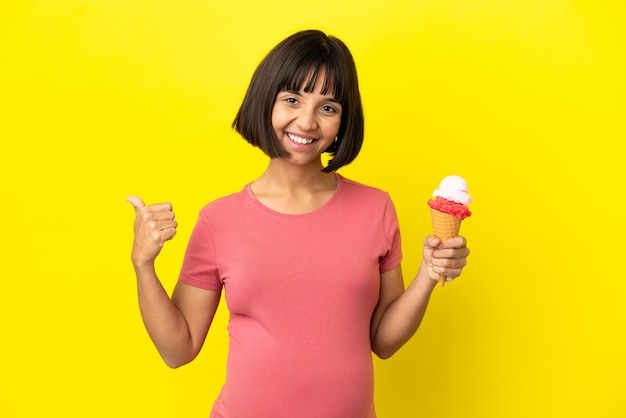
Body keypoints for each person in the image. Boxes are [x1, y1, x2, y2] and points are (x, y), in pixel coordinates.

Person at [127, 29, 469, 418]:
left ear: (344, 120)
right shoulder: (219, 220)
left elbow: (384, 342)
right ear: (265, 102)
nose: (306, 122)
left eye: (328, 108)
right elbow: (178, 350)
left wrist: (428, 273)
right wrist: (143, 264)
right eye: (292, 100)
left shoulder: (376, 208)